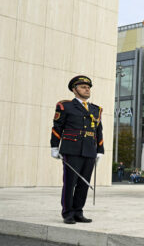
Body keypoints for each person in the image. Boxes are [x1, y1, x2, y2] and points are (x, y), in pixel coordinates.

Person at [50, 75, 104, 224]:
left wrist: (100, 150)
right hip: (72, 149)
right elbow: (57, 127)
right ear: (74, 90)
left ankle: (78, 211)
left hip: (89, 150)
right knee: (70, 182)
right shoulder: (65, 106)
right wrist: (54, 146)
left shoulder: (96, 109)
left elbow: (99, 131)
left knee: (84, 183)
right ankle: (67, 213)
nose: (87, 89)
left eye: (88, 87)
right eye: (83, 87)